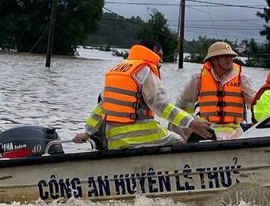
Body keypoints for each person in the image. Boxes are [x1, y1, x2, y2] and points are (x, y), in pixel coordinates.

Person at [74, 40, 214, 149]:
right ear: (149, 52)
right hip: (137, 136)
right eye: (159, 55)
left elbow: (101, 107)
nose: (161, 61)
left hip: (113, 140)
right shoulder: (144, 70)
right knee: (177, 140)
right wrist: (191, 123)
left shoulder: (119, 70)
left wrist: (87, 133)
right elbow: (162, 107)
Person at [176, 41, 256, 139]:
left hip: (235, 130)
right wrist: (193, 124)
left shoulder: (243, 79)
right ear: (213, 59)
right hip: (207, 130)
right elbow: (181, 107)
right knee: (175, 122)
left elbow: (255, 105)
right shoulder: (198, 79)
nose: (229, 58)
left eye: (231, 56)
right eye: (224, 56)